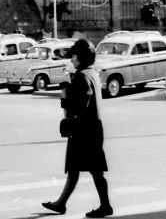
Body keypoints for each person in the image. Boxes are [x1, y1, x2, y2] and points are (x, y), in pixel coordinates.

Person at [42, 38, 112, 218]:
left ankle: (105, 206)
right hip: (93, 128)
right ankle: (61, 203)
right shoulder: (91, 73)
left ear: (80, 57)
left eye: (73, 56)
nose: (71, 59)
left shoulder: (81, 76)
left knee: (91, 170)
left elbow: (78, 105)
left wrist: (65, 95)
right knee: (80, 168)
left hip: (83, 130)